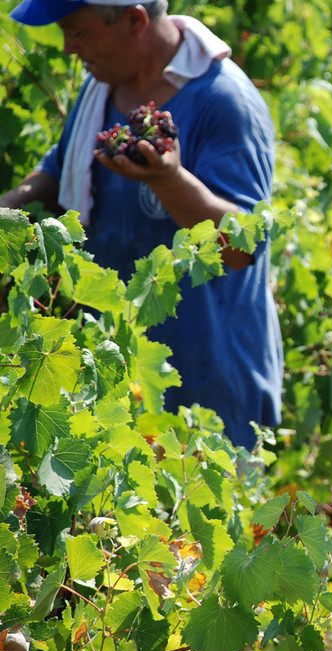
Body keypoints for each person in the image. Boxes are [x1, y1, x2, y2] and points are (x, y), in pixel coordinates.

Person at [1, 0, 282, 449]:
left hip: (208, 393)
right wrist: (6, 214)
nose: (69, 48)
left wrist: (168, 180)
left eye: (78, 32)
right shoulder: (104, 87)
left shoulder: (223, 102)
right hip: (115, 370)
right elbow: (58, 170)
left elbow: (241, 247)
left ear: (135, 20)